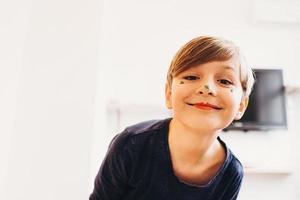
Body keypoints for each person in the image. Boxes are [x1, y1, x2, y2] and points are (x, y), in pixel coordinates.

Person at [89, 35, 255, 200]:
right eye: (191, 77)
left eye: (225, 81)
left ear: (241, 105)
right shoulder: (132, 144)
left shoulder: (231, 173)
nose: (207, 88)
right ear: (169, 94)